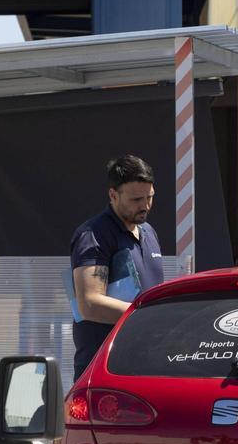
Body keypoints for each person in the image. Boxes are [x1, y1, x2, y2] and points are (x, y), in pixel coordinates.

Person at [68, 155, 165, 379]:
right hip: (104, 371)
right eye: (136, 199)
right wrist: (151, 317)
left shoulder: (148, 232)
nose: (145, 206)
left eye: (149, 197)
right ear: (113, 195)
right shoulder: (93, 235)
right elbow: (89, 304)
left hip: (146, 365)